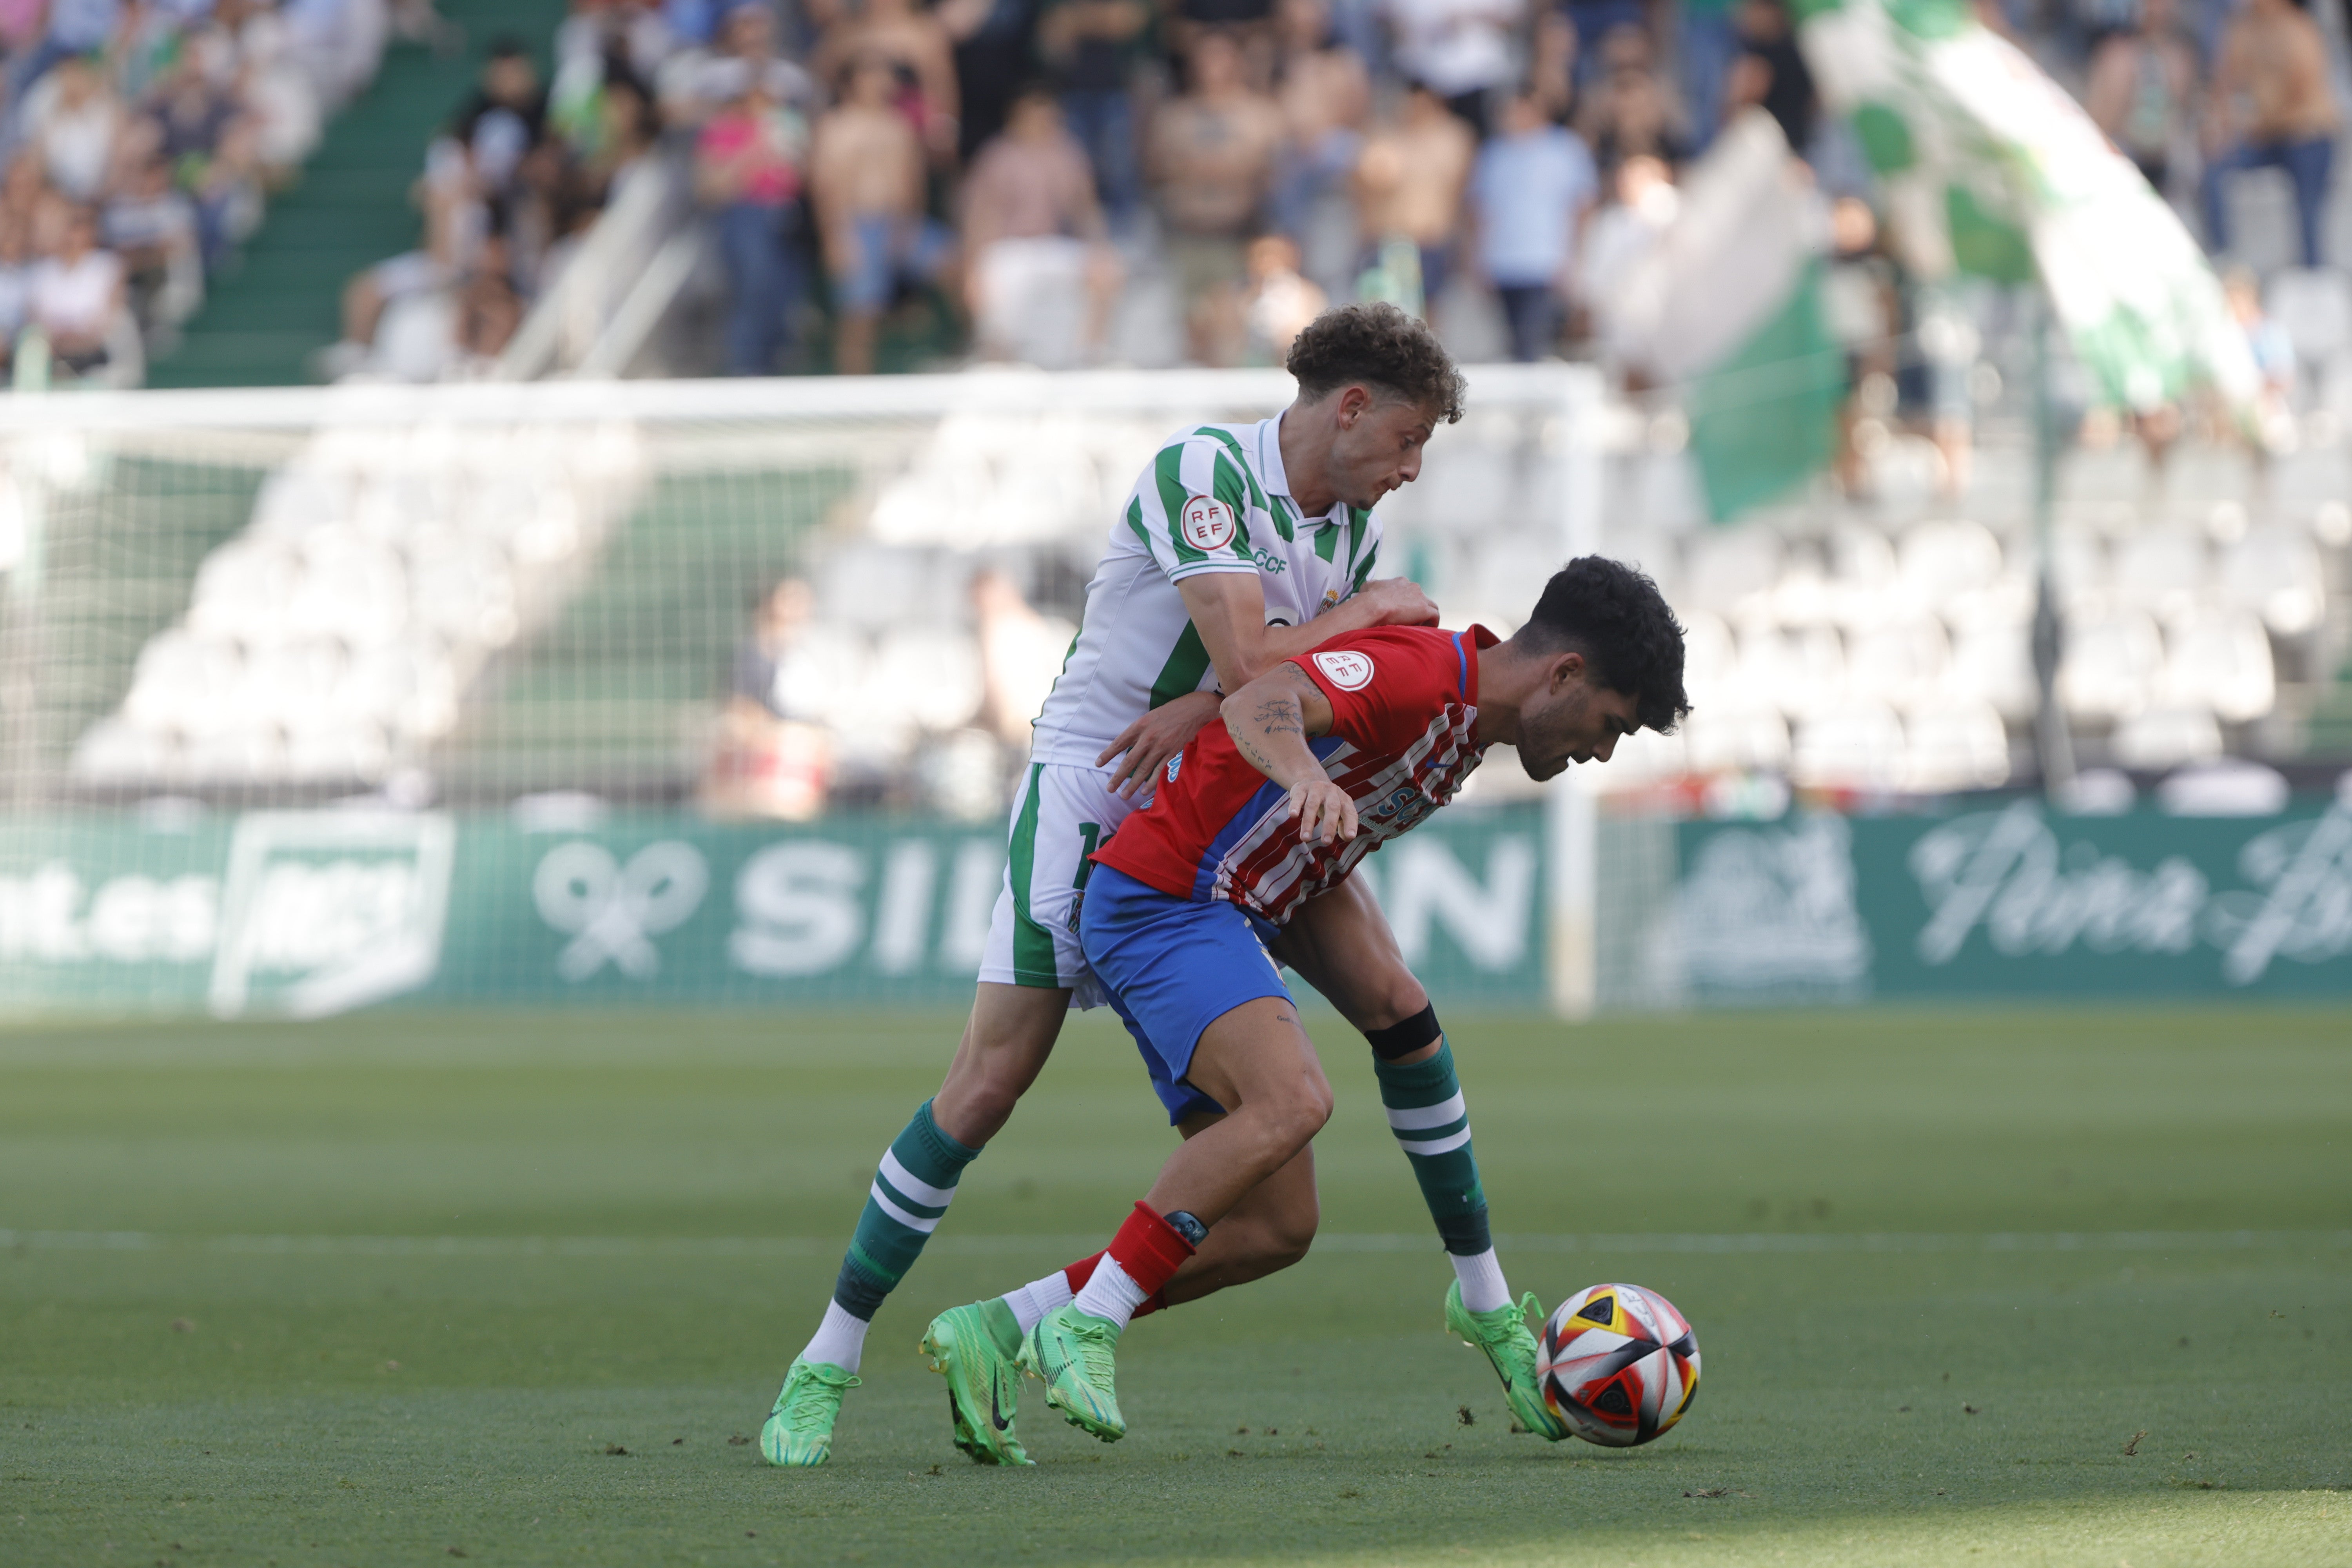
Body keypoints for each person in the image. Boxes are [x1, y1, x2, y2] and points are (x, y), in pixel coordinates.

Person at [758, 302, 1468, 1467]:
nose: (1407, 468)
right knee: (987, 1084)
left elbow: (1245, 692)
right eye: (1403, 439)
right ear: (1347, 407)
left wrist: (1261, 672)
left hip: (1208, 833)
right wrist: (1348, 623)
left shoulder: (1345, 534)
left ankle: (1008, 1328)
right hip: (1096, 798)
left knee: (1276, 1216)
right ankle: (824, 1360)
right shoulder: (1204, 472)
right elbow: (1249, 663)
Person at [991, 558, 1690, 1449]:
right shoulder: (1422, 675)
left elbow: (1277, 688)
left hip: (1255, 892)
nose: (1602, 749)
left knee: (1305, 1188)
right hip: (1168, 891)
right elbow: (1261, 702)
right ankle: (1090, 1320)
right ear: (1562, 675)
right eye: (1611, 724)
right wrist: (1303, 774)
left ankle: (1484, 1303)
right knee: (1297, 1100)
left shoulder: (1472, 720)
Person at [959, 83, 1121, 366]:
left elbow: (1085, 209)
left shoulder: (1066, 152)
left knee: (1107, 270)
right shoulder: (998, 156)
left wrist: (1100, 248)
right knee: (993, 280)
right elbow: (982, 215)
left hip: (1051, 244)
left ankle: (1089, 355)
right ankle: (998, 359)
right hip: (1009, 249)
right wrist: (974, 263)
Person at [1149, 29, 1285, 366]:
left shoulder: (1260, 114)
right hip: (1188, 231)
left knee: (1232, 320)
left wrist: (1205, 168)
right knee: (1191, 318)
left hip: (1240, 233)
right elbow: (1160, 167)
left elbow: (1265, 168)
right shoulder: (1175, 115)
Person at [809, 52, 949, 374]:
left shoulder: (899, 125)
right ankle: (856, 390)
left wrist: (910, 227)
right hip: (855, 227)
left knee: (955, 265)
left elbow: (913, 182)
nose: (883, 83)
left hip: (901, 226)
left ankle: (962, 354)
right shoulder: (835, 127)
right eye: (874, 74)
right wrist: (836, 238)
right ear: (852, 83)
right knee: (861, 314)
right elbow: (824, 188)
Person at [2201, 0, 2338, 269]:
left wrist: (2258, 122)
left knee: (2308, 182)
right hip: (2264, 136)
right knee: (2215, 167)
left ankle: (2313, 270)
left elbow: (2300, 91)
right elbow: (2224, 84)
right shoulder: (2243, 28)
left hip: (2306, 133)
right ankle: (2224, 259)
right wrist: (2218, 126)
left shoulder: (2299, 29)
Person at [695, 59, 808, 374]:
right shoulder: (724, 129)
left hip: (787, 217)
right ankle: (745, 371)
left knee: (782, 297)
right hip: (748, 218)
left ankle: (772, 369)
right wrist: (757, 148)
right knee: (753, 293)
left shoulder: (789, 125)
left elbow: (800, 175)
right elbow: (710, 188)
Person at [1469, 85, 1597, 361]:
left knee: (1534, 341)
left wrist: (1574, 255)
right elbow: (1482, 211)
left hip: (1544, 261)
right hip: (1502, 261)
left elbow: (1582, 206)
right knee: (1513, 340)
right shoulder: (1494, 154)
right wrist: (1479, 258)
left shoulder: (1565, 149)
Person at [1353, 78, 1474, 318]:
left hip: (1430, 238)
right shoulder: (1385, 136)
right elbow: (1368, 180)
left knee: (1429, 307)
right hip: (1389, 238)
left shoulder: (1452, 138)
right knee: (1382, 310)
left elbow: (1461, 190)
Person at [2085, 0, 2199, 196]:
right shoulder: (2116, 56)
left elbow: (2187, 118)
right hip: (2126, 156)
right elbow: (2097, 124)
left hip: (2166, 162)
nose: (2156, 8)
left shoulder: (2181, 58)